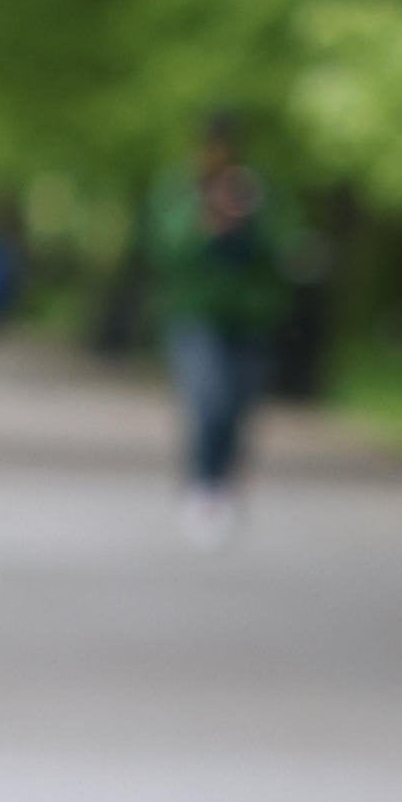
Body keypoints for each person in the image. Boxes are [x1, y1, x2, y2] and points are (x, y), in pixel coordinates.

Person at [147, 119, 292, 547]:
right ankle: (203, 486)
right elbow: (165, 247)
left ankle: (224, 483)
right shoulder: (179, 191)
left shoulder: (258, 191)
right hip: (196, 315)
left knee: (239, 407)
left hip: (250, 317)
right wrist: (207, 222)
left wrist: (248, 220)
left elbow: (283, 246)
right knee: (208, 398)